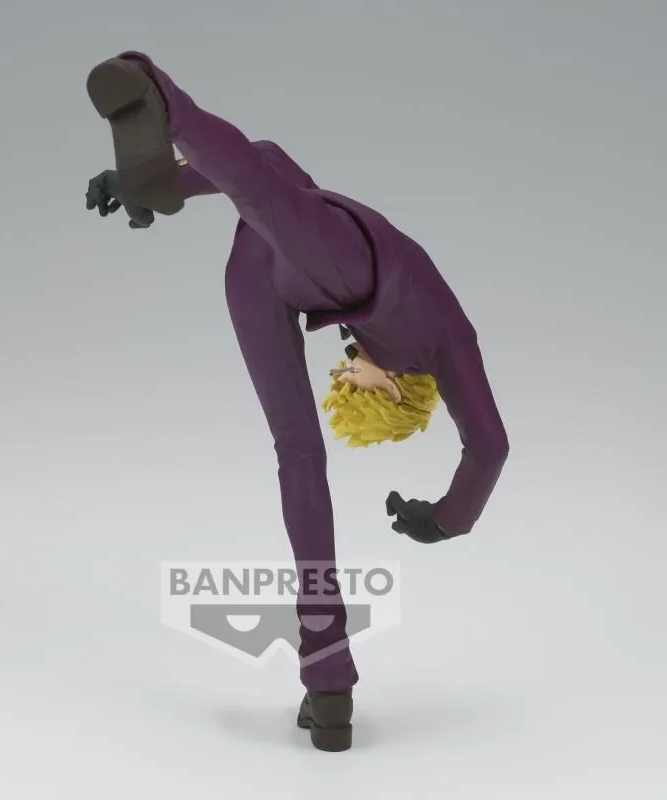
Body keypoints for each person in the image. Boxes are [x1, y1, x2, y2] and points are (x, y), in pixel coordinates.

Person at [84, 52, 509, 752]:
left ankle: (165, 114)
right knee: (298, 453)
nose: (344, 370)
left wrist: (447, 518)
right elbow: (489, 446)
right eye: (355, 385)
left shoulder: (434, 336)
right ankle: (328, 680)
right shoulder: (439, 338)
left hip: (275, 275)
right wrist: (444, 520)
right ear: (396, 391)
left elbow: (490, 446)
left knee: (267, 185)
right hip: (299, 271)